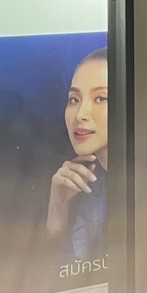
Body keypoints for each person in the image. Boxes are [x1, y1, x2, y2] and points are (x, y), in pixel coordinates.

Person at [45, 48, 108, 260]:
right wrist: (58, 209)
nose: (80, 114)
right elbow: (66, 272)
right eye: (74, 100)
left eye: (100, 98)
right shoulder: (86, 183)